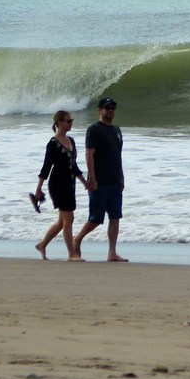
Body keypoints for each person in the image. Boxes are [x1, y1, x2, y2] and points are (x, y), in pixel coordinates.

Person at [74, 97, 129, 262]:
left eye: (113, 108)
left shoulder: (116, 130)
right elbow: (89, 154)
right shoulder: (94, 129)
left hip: (115, 181)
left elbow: (117, 155)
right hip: (100, 181)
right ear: (99, 110)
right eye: (107, 108)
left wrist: (121, 176)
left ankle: (112, 252)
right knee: (96, 219)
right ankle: (77, 239)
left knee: (115, 216)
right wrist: (92, 178)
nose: (110, 111)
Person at [32, 110, 88, 261]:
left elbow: (73, 165)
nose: (71, 123)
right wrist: (38, 188)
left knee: (62, 221)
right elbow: (46, 167)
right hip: (57, 184)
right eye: (68, 121)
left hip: (70, 184)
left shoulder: (71, 140)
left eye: (72, 121)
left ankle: (42, 245)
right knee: (69, 218)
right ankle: (72, 254)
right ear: (59, 123)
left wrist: (85, 182)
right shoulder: (53, 144)